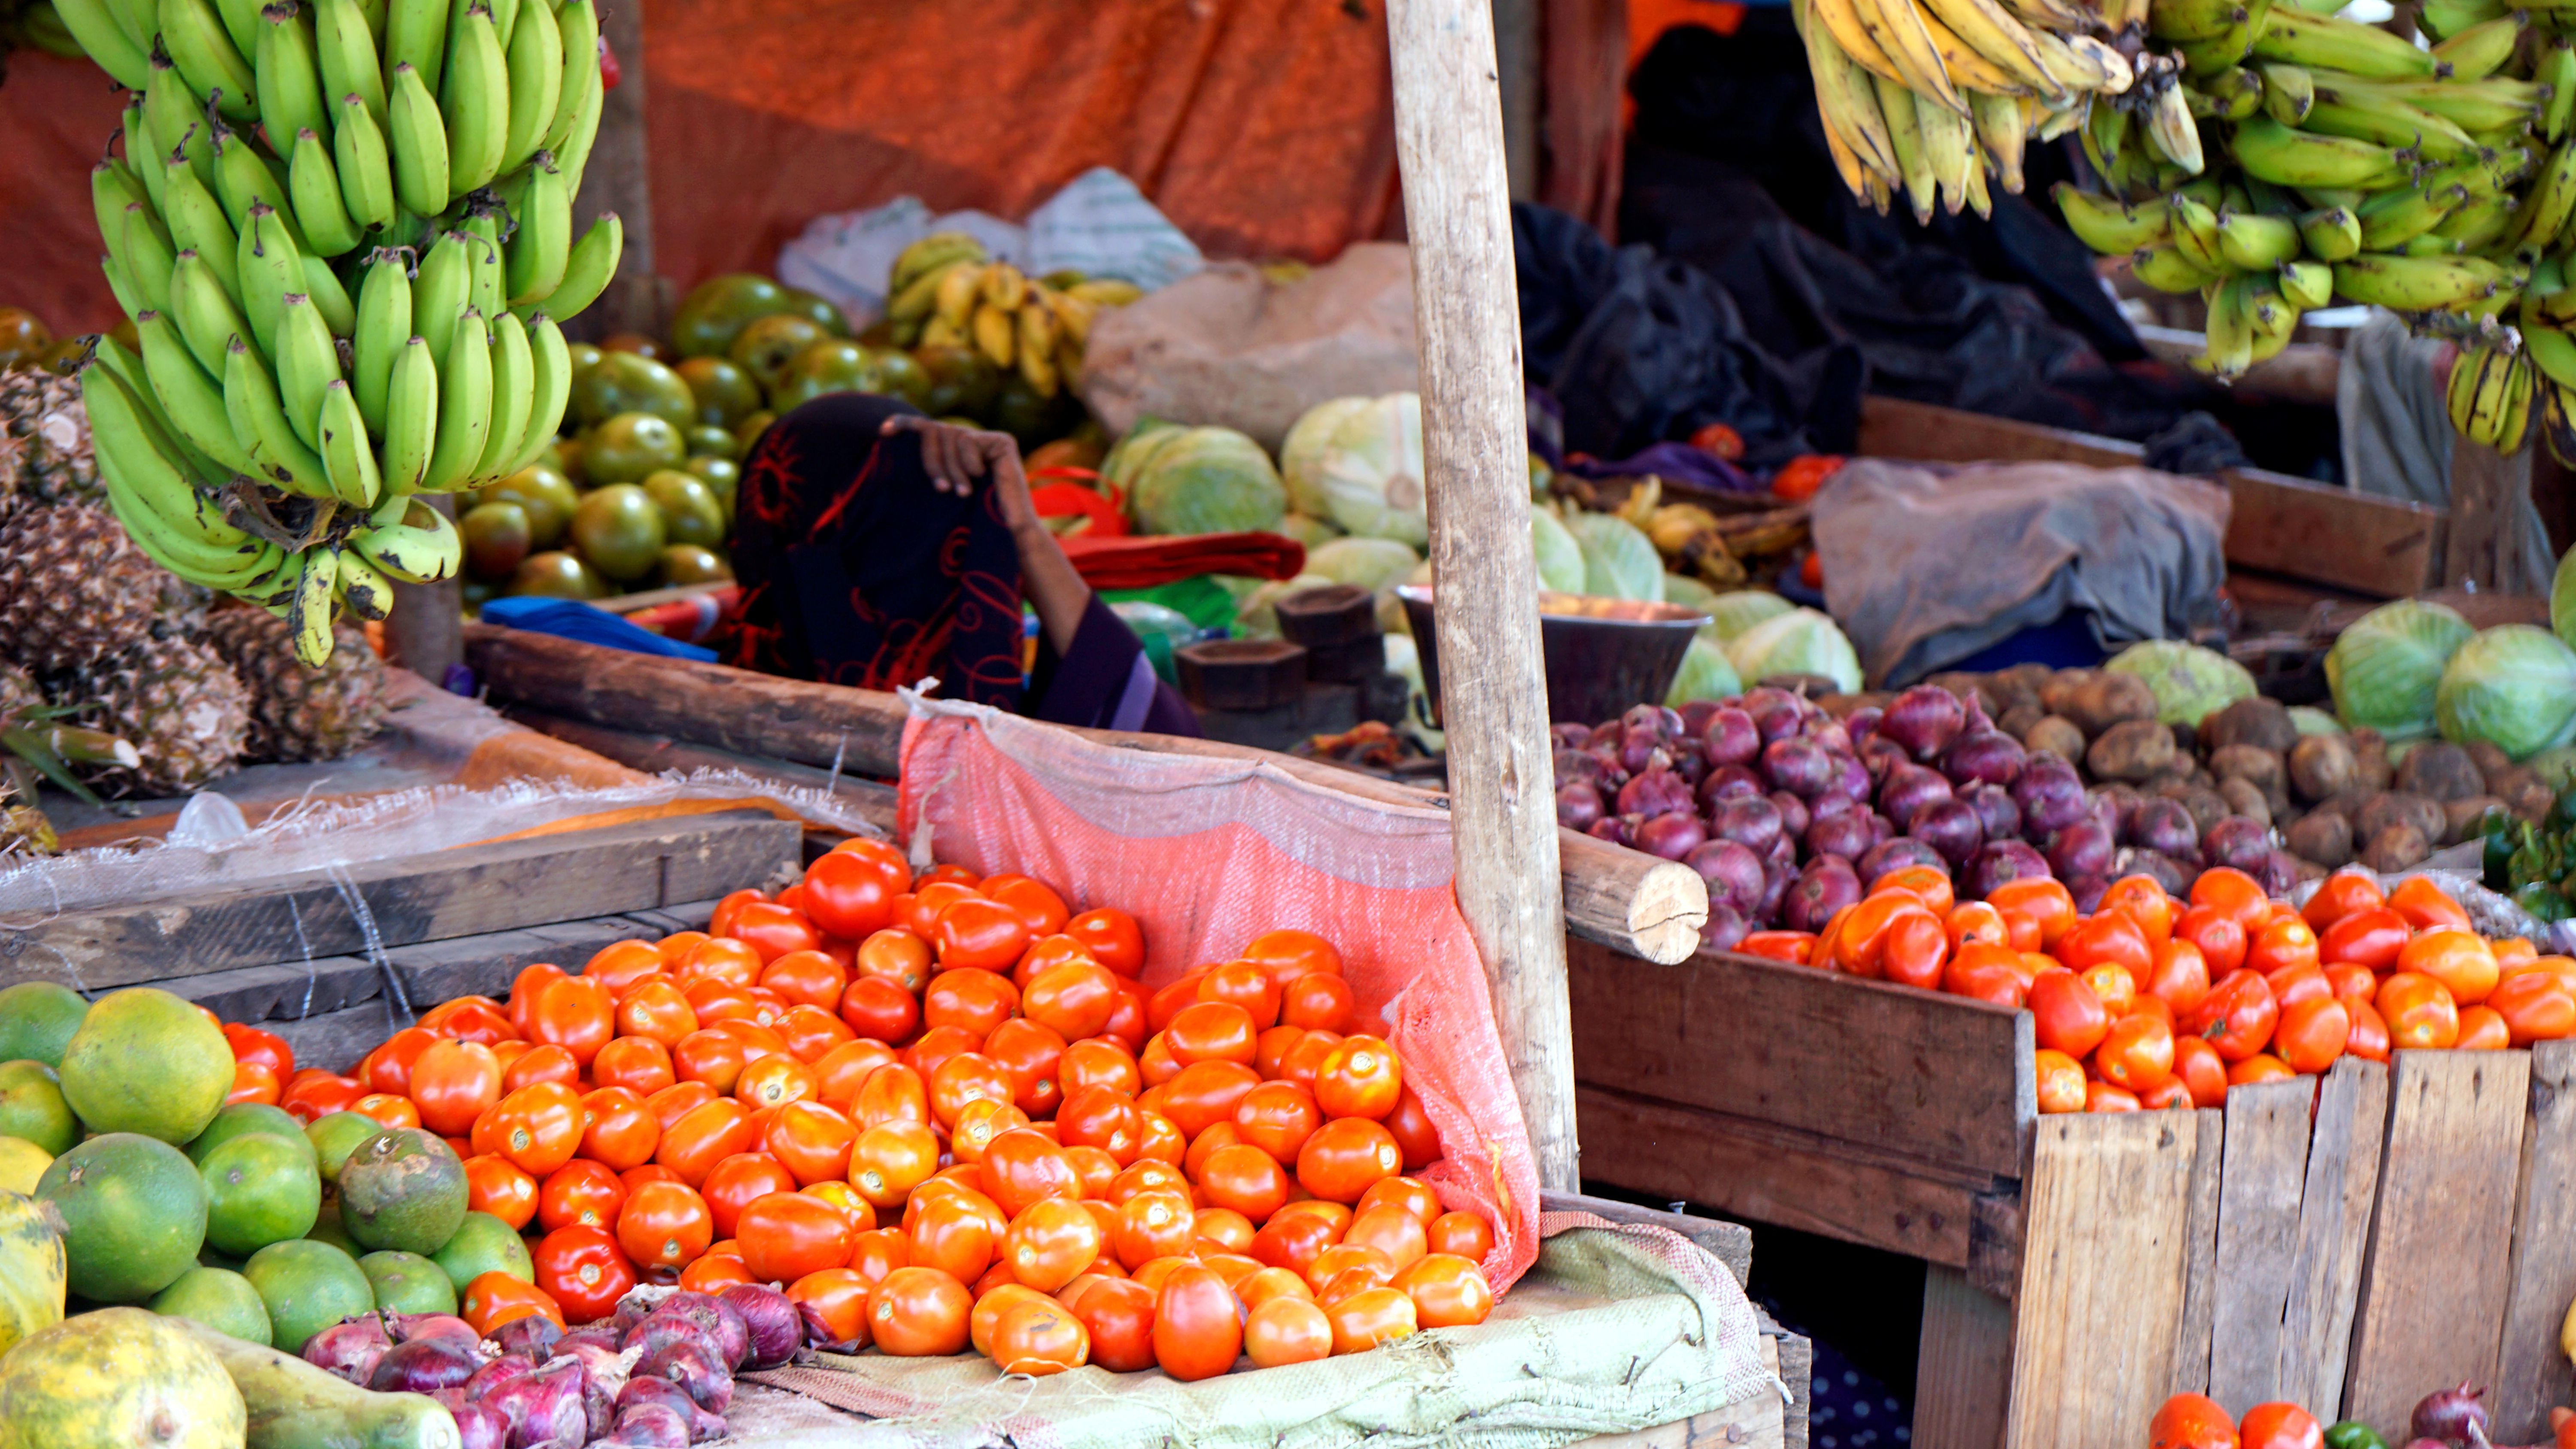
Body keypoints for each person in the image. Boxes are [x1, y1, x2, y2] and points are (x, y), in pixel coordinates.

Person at [721, 391, 1200, 736]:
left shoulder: (707, 715)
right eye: (904, 536)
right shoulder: (705, 728)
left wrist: (1025, 535)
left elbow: (1160, 738)